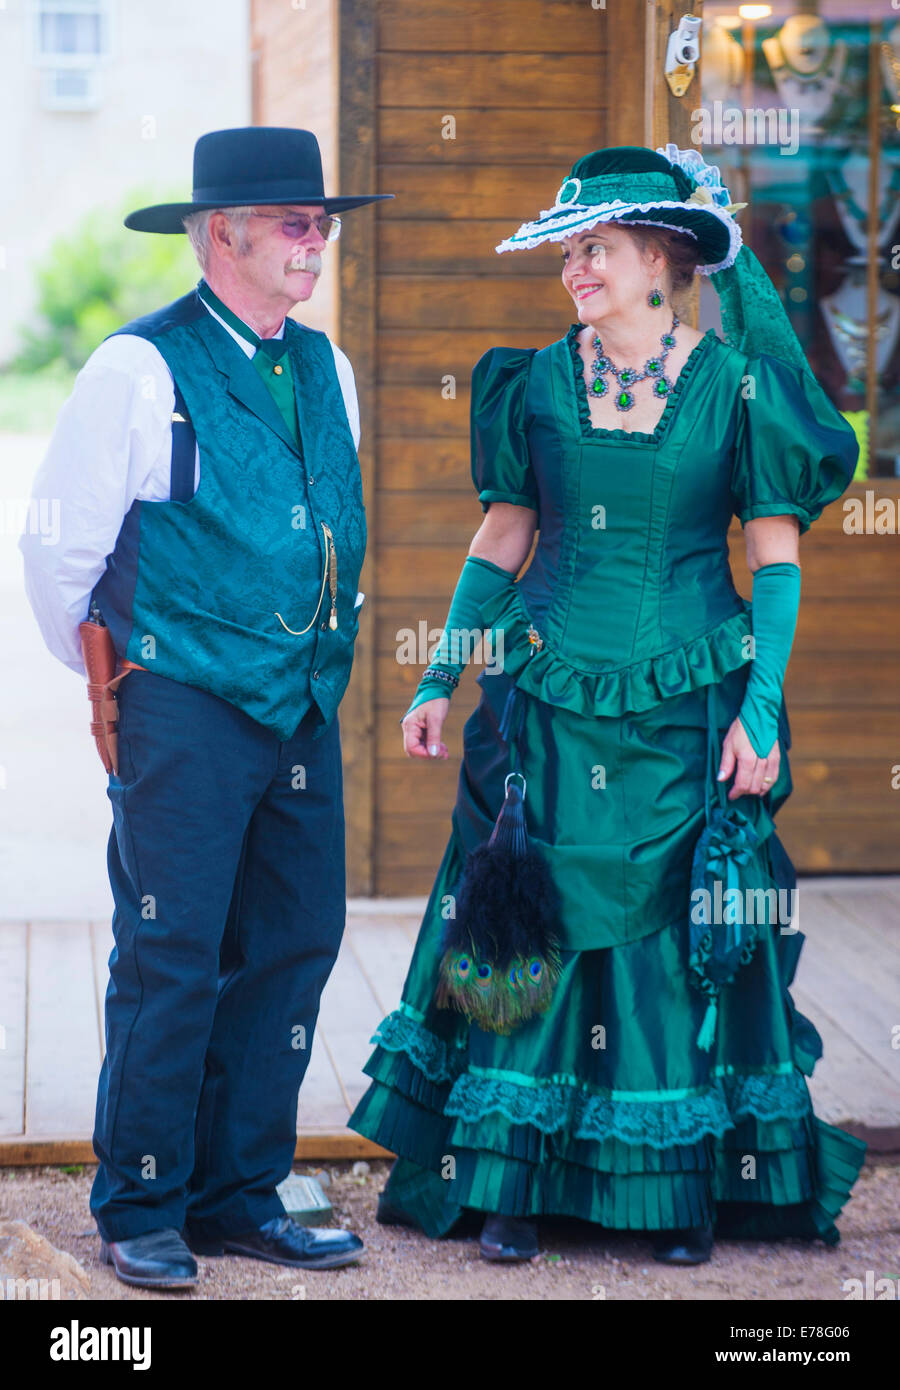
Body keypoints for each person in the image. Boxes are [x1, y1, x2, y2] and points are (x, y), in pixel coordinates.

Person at [348, 144, 866, 1264]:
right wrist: (440, 674)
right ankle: (509, 1186)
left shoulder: (739, 389)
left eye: (599, 248)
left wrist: (761, 711)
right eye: (570, 249)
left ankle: (671, 1192)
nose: (577, 266)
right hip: (544, 698)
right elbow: (503, 538)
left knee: (670, 941)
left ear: (663, 260)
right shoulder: (533, 382)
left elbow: (773, 566)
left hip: (685, 701)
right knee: (531, 921)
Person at [20, 126, 393, 1289]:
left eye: (321, 222)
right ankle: (141, 1199)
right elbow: (56, 553)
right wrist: (119, 678)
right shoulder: (139, 369)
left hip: (301, 707)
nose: (315, 240)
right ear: (221, 233)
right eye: (296, 221)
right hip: (177, 701)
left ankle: (240, 1191)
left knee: (292, 944)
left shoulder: (327, 368)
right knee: (174, 951)